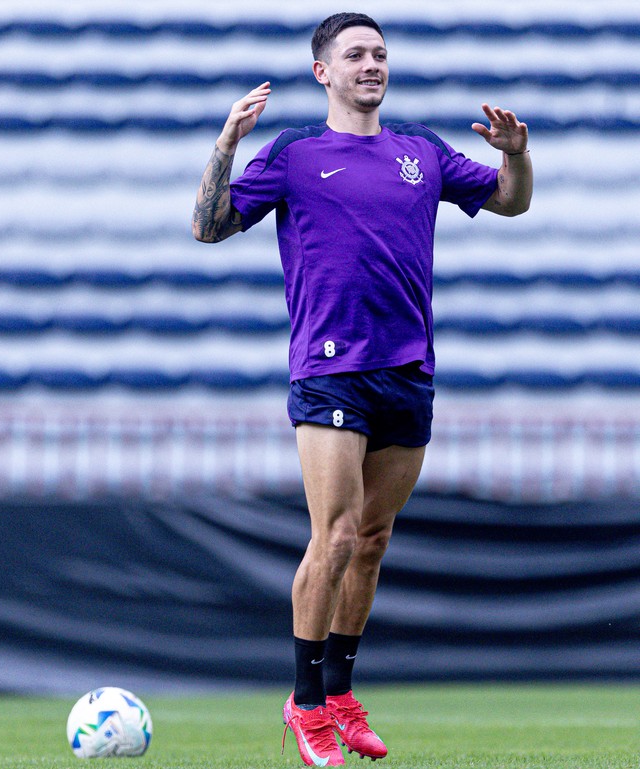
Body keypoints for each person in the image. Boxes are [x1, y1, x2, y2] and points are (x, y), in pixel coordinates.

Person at [191, 11, 532, 767]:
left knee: (372, 541)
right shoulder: (295, 153)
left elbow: (511, 200)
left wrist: (518, 156)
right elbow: (209, 227)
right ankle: (305, 703)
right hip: (330, 365)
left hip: (408, 369)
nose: (372, 64)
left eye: (379, 52)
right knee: (336, 534)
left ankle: (341, 693)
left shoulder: (422, 151)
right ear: (324, 72)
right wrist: (225, 145)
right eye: (355, 54)